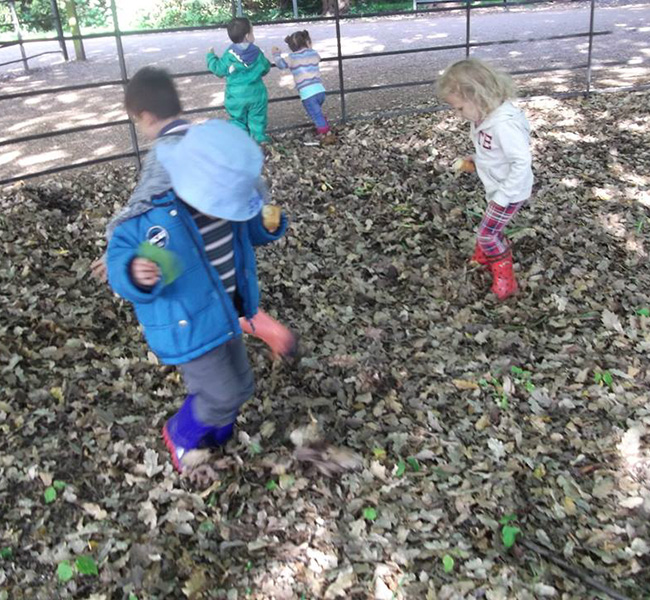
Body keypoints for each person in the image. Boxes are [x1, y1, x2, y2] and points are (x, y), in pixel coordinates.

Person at [104, 67, 292, 473]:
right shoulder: (157, 209)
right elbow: (120, 249)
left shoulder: (221, 188)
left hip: (224, 310)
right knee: (221, 391)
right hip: (186, 316)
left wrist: (266, 222)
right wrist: (135, 271)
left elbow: (248, 230)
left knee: (240, 385)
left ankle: (214, 439)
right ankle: (181, 434)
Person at [436, 58, 533, 300]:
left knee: (487, 233)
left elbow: (521, 161)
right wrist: (477, 159)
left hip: (509, 191)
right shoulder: (482, 119)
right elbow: (493, 151)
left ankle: (505, 275)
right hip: (498, 186)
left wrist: (504, 195)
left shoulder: (504, 125)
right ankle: (485, 255)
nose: (458, 115)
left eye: (459, 108)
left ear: (478, 97)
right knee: (491, 227)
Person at [206, 17, 271, 143]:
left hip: (235, 96)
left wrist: (210, 56)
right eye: (252, 32)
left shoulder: (229, 54)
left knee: (237, 119)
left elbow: (218, 69)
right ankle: (259, 139)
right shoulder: (257, 53)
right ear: (247, 36)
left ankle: (241, 142)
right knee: (257, 117)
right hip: (256, 94)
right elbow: (266, 68)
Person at [272, 30, 334, 141]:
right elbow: (318, 58)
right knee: (317, 112)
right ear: (307, 42)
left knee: (315, 114)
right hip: (320, 90)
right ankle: (323, 125)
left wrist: (276, 55)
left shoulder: (292, 57)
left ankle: (326, 135)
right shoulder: (313, 53)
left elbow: (281, 65)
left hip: (307, 94)